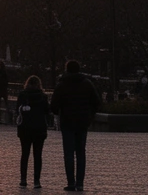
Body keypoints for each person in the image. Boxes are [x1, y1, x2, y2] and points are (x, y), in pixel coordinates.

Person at [50, 60, 101, 192]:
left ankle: (71, 183)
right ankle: (80, 183)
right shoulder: (87, 83)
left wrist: (60, 112)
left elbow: (54, 105)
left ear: (67, 69)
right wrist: (89, 115)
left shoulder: (62, 85)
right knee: (80, 153)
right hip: (82, 122)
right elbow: (96, 102)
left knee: (68, 153)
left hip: (67, 122)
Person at [16, 75, 50, 188]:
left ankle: (23, 179)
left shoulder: (22, 95)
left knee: (25, 154)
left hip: (25, 129)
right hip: (39, 129)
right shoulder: (43, 96)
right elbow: (47, 111)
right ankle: (36, 181)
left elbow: (17, 110)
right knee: (38, 155)